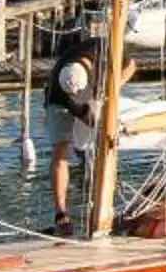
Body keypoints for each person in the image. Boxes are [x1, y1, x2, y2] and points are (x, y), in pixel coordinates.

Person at [43, 28, 130, 235]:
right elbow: (87, 118)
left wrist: (114, 85)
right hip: (59, 103)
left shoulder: (104, 47)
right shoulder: (62, 87)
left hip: (96, 90)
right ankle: (61, 213)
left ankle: (104, 202)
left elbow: (131, 66)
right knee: (60, 150)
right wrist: (99, 124)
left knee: (103, 143)